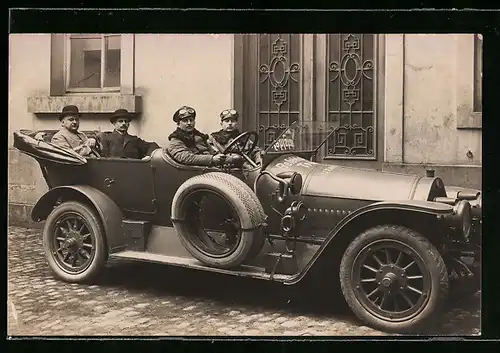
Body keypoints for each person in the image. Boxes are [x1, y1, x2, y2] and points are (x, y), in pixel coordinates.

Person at [166, 106, 242, 167]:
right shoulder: (175, 140)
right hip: (196, 172)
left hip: (209, 168)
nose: (189, 123)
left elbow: (213, 152)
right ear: (178, 124)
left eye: (191, 120)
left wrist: (228, 159)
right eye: (185, 121)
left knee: (237, 160)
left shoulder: (198, 136)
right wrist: (212, 159)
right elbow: (185, 158)